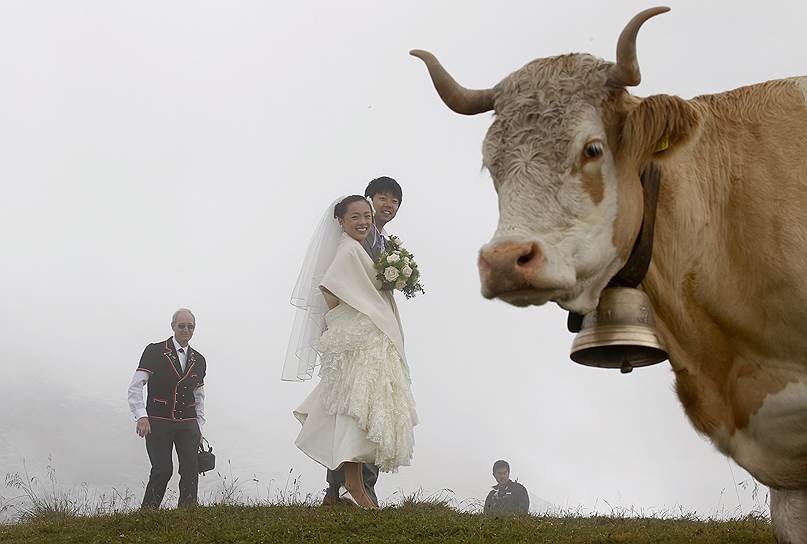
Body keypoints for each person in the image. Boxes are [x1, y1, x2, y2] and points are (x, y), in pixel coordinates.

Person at [283, 195, 417, 509]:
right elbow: (330, 288)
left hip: (369, 336)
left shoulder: (358, 248)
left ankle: (352, 486)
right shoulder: (347, 250)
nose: (362, 222)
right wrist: (351, 317)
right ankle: (351, 487)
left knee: (361, 407)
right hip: (359, 340)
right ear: (341, 221)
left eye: (366, 217)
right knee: (356, 408)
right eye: (355, 217)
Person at [127, 308, 207, 508]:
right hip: (158, 421)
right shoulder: (154, 351)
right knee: (162, 469)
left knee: (190, 468)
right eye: (182, 326)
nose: (186, 330)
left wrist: (199, 427)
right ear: (173, 327)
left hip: (188, 423)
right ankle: (148, 513)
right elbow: (136, 386)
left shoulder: (200, 360)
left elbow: (199, 396)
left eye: (190, 326)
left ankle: (188, 514)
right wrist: (141, 416)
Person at [362, 176, 402, 260]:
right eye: (383, 198)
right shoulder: (358, 233)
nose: (388, 205)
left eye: (394, 201)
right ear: (369, 200)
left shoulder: (388, 246)